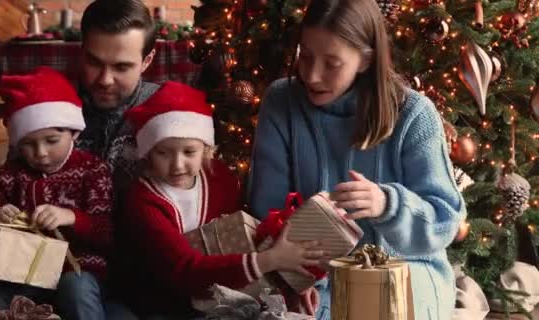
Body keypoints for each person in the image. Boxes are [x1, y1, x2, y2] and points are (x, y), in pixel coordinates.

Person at [247, 0, 467, 319]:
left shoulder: (414, 115)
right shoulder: (281, 103)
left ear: (366, 60)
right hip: (311, 274)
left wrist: (388, 205)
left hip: (405, 268)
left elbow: (445, 219)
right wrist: (295, 275)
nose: (311, 75)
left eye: (332, 63)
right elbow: (266, 210)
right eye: (305, 56)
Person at [119, 81, 326, 318]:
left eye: (189, 152)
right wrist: (270, 260)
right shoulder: (142, 200)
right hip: (163, 304)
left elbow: (243, 239)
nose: (177, 165)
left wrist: (292, 285)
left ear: (206, 149)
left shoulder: (219, 179)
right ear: (146, 152)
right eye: (163, 152)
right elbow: (184, 271)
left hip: (220, 298)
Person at [0, 0, 159, 221]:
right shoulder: (46, 105)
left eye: (121, 67)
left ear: (147, 60)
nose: (105, 80)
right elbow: (15, 187)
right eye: (94, 62)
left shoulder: (166, 113)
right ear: (81, 51)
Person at [0, 67, 114, 320]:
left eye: (51, 140)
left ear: (74, 132)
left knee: (76, 290)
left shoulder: (93, 171)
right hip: (24, 273)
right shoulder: (11, 174)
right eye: (28, 144)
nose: (41, 153)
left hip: (80, 271)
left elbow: (108, 232)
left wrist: (71, 217)